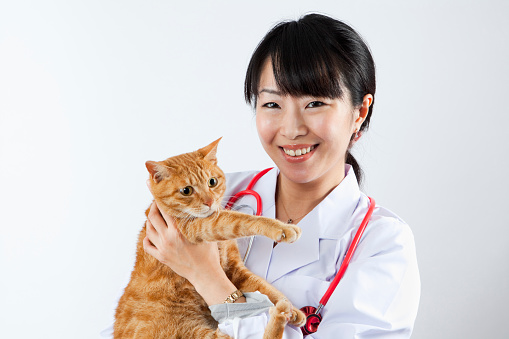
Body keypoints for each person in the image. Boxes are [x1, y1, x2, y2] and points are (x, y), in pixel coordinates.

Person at [106, 13, 420, 338]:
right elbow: (141, 313)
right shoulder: (212, 196)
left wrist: (207, 275)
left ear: (360, 112)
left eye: (315, 103)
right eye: (272, 104)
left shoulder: (382, 244)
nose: (292, 129)